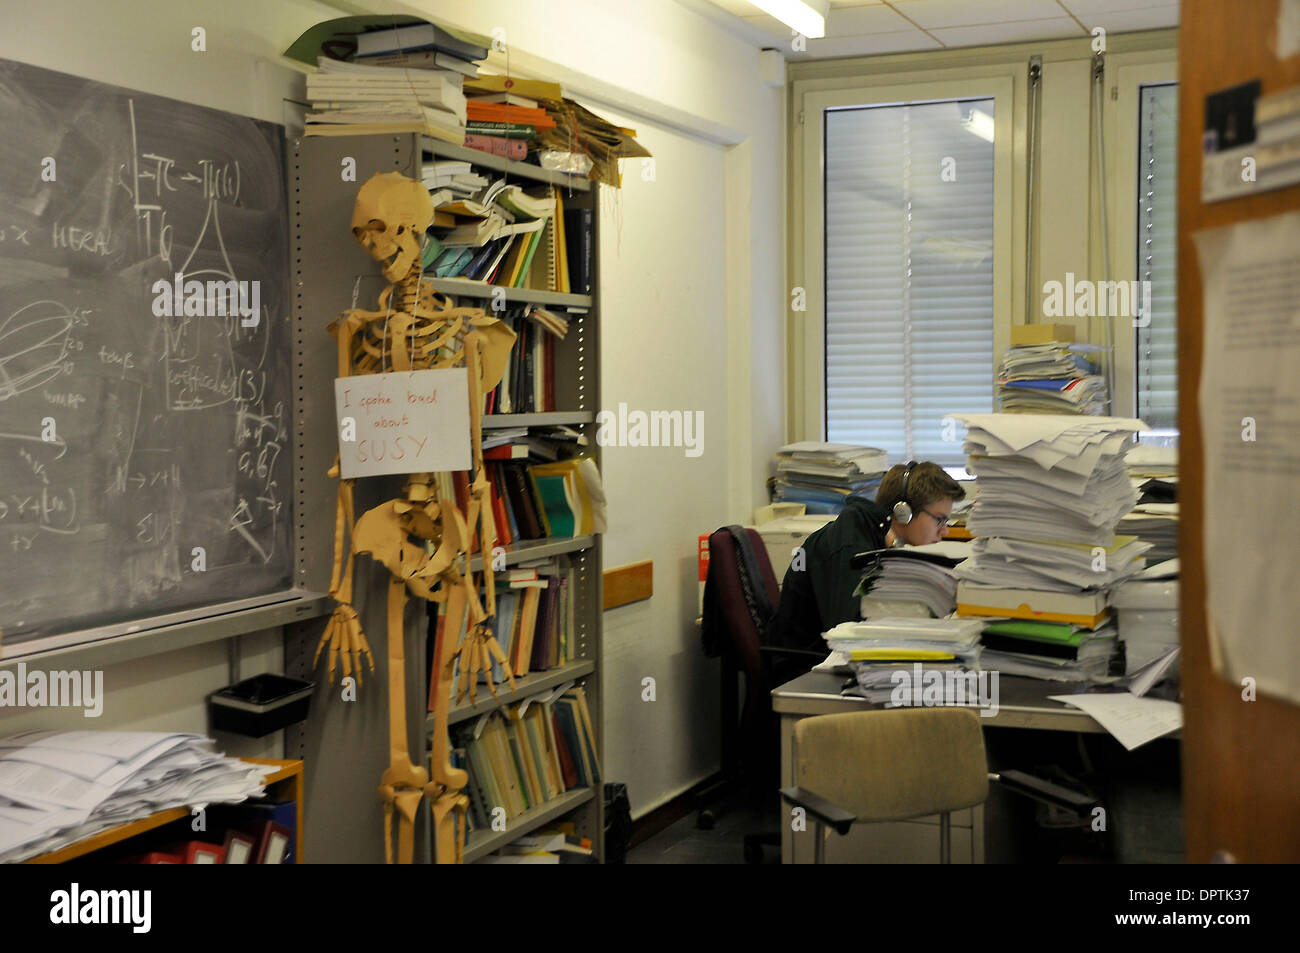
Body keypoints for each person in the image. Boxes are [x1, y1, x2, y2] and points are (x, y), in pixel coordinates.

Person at [766, 461, 966, 660]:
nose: (945, 530)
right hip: (801, 671)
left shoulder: (875, 536)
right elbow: (848, 630)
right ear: (903, 511)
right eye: (939, 519)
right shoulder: (851, 542)